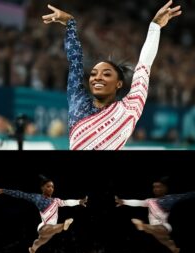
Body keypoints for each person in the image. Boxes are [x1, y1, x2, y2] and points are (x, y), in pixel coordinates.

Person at [42, 1, 182, 150]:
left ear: (119, 83)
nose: (97, 77)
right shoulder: (78, 101)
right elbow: (74, 60)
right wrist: (70, 23)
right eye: (94, 74)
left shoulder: (129, 108)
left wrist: (155, 27)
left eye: (106, 74)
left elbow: (144, 65)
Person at [115, 177, 195, 253]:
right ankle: (174, 249)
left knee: (156, 231)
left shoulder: (170, 198)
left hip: (163, 226)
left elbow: (188, 195)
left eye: (159, 187)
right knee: (165, 241)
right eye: (154, 187)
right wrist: (124, 201)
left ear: (165, 188)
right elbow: (138, 202)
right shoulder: (150, 201)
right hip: (155, 228)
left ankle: (143, 226)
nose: (156, 189)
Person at [0, 176, 88, 253]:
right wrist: (3, 190)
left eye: (52, 187)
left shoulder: (56, 201)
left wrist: (79, 201)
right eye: (48, 186)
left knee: (39, 242)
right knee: (51, 230)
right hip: (44, 227)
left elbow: (67, 202)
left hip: (51, 230)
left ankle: (32, 250)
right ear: (42, 188)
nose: (51, 188)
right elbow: (21, 194)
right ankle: (64, 225)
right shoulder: (37, 198)